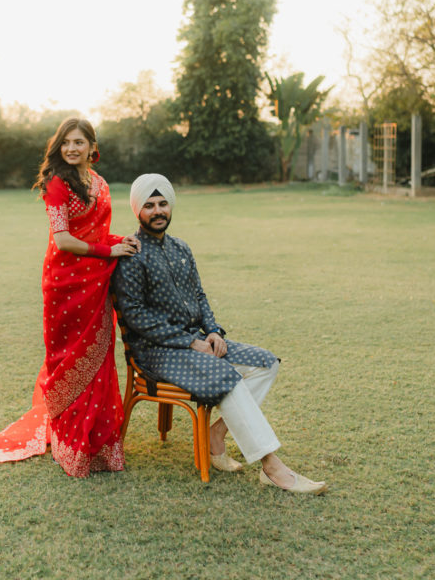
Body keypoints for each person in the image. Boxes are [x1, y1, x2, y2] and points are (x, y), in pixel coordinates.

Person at [112, 173, 327, 494]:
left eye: (163, 204)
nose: (158, 211)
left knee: (266, 363)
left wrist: (212, 331)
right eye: (149, 205)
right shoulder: (131, 255)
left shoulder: (181, 248)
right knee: (224, 375)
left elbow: (199, 295)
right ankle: (272, 467)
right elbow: (136, 317)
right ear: (137, 210)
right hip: (156, 352)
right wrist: (189, 342)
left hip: (197, 341)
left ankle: (216, 435)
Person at [0, 118, 139, 477]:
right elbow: (63, 239)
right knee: (67, 361)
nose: (71, 148)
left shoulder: (100, 183)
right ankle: (71, 445)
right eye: (66, 142)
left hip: (96, 283)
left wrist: (119, 241)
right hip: (65, 285)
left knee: (98, 362)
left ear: (92, 146)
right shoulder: (56, 184)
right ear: (58, 147)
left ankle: (99, 444)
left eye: (79, 142)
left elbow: (99, 233)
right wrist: (109, 251)